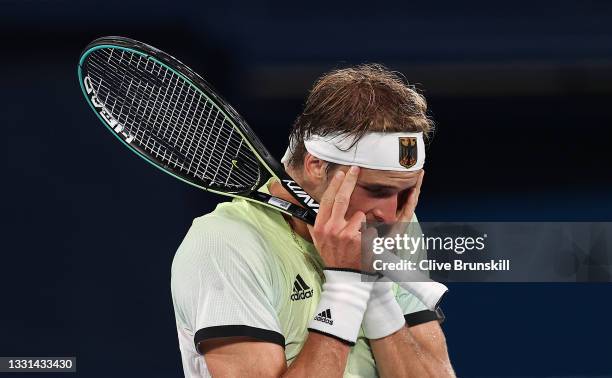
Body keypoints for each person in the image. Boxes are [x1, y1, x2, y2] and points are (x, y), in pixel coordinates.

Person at [171, 64, 454, 377]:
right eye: (376, 190)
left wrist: (376, 290)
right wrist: (346, 287)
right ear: (317, 165)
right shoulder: (226, 244)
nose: (389, 214)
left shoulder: (395, 226)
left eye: (404, 193)